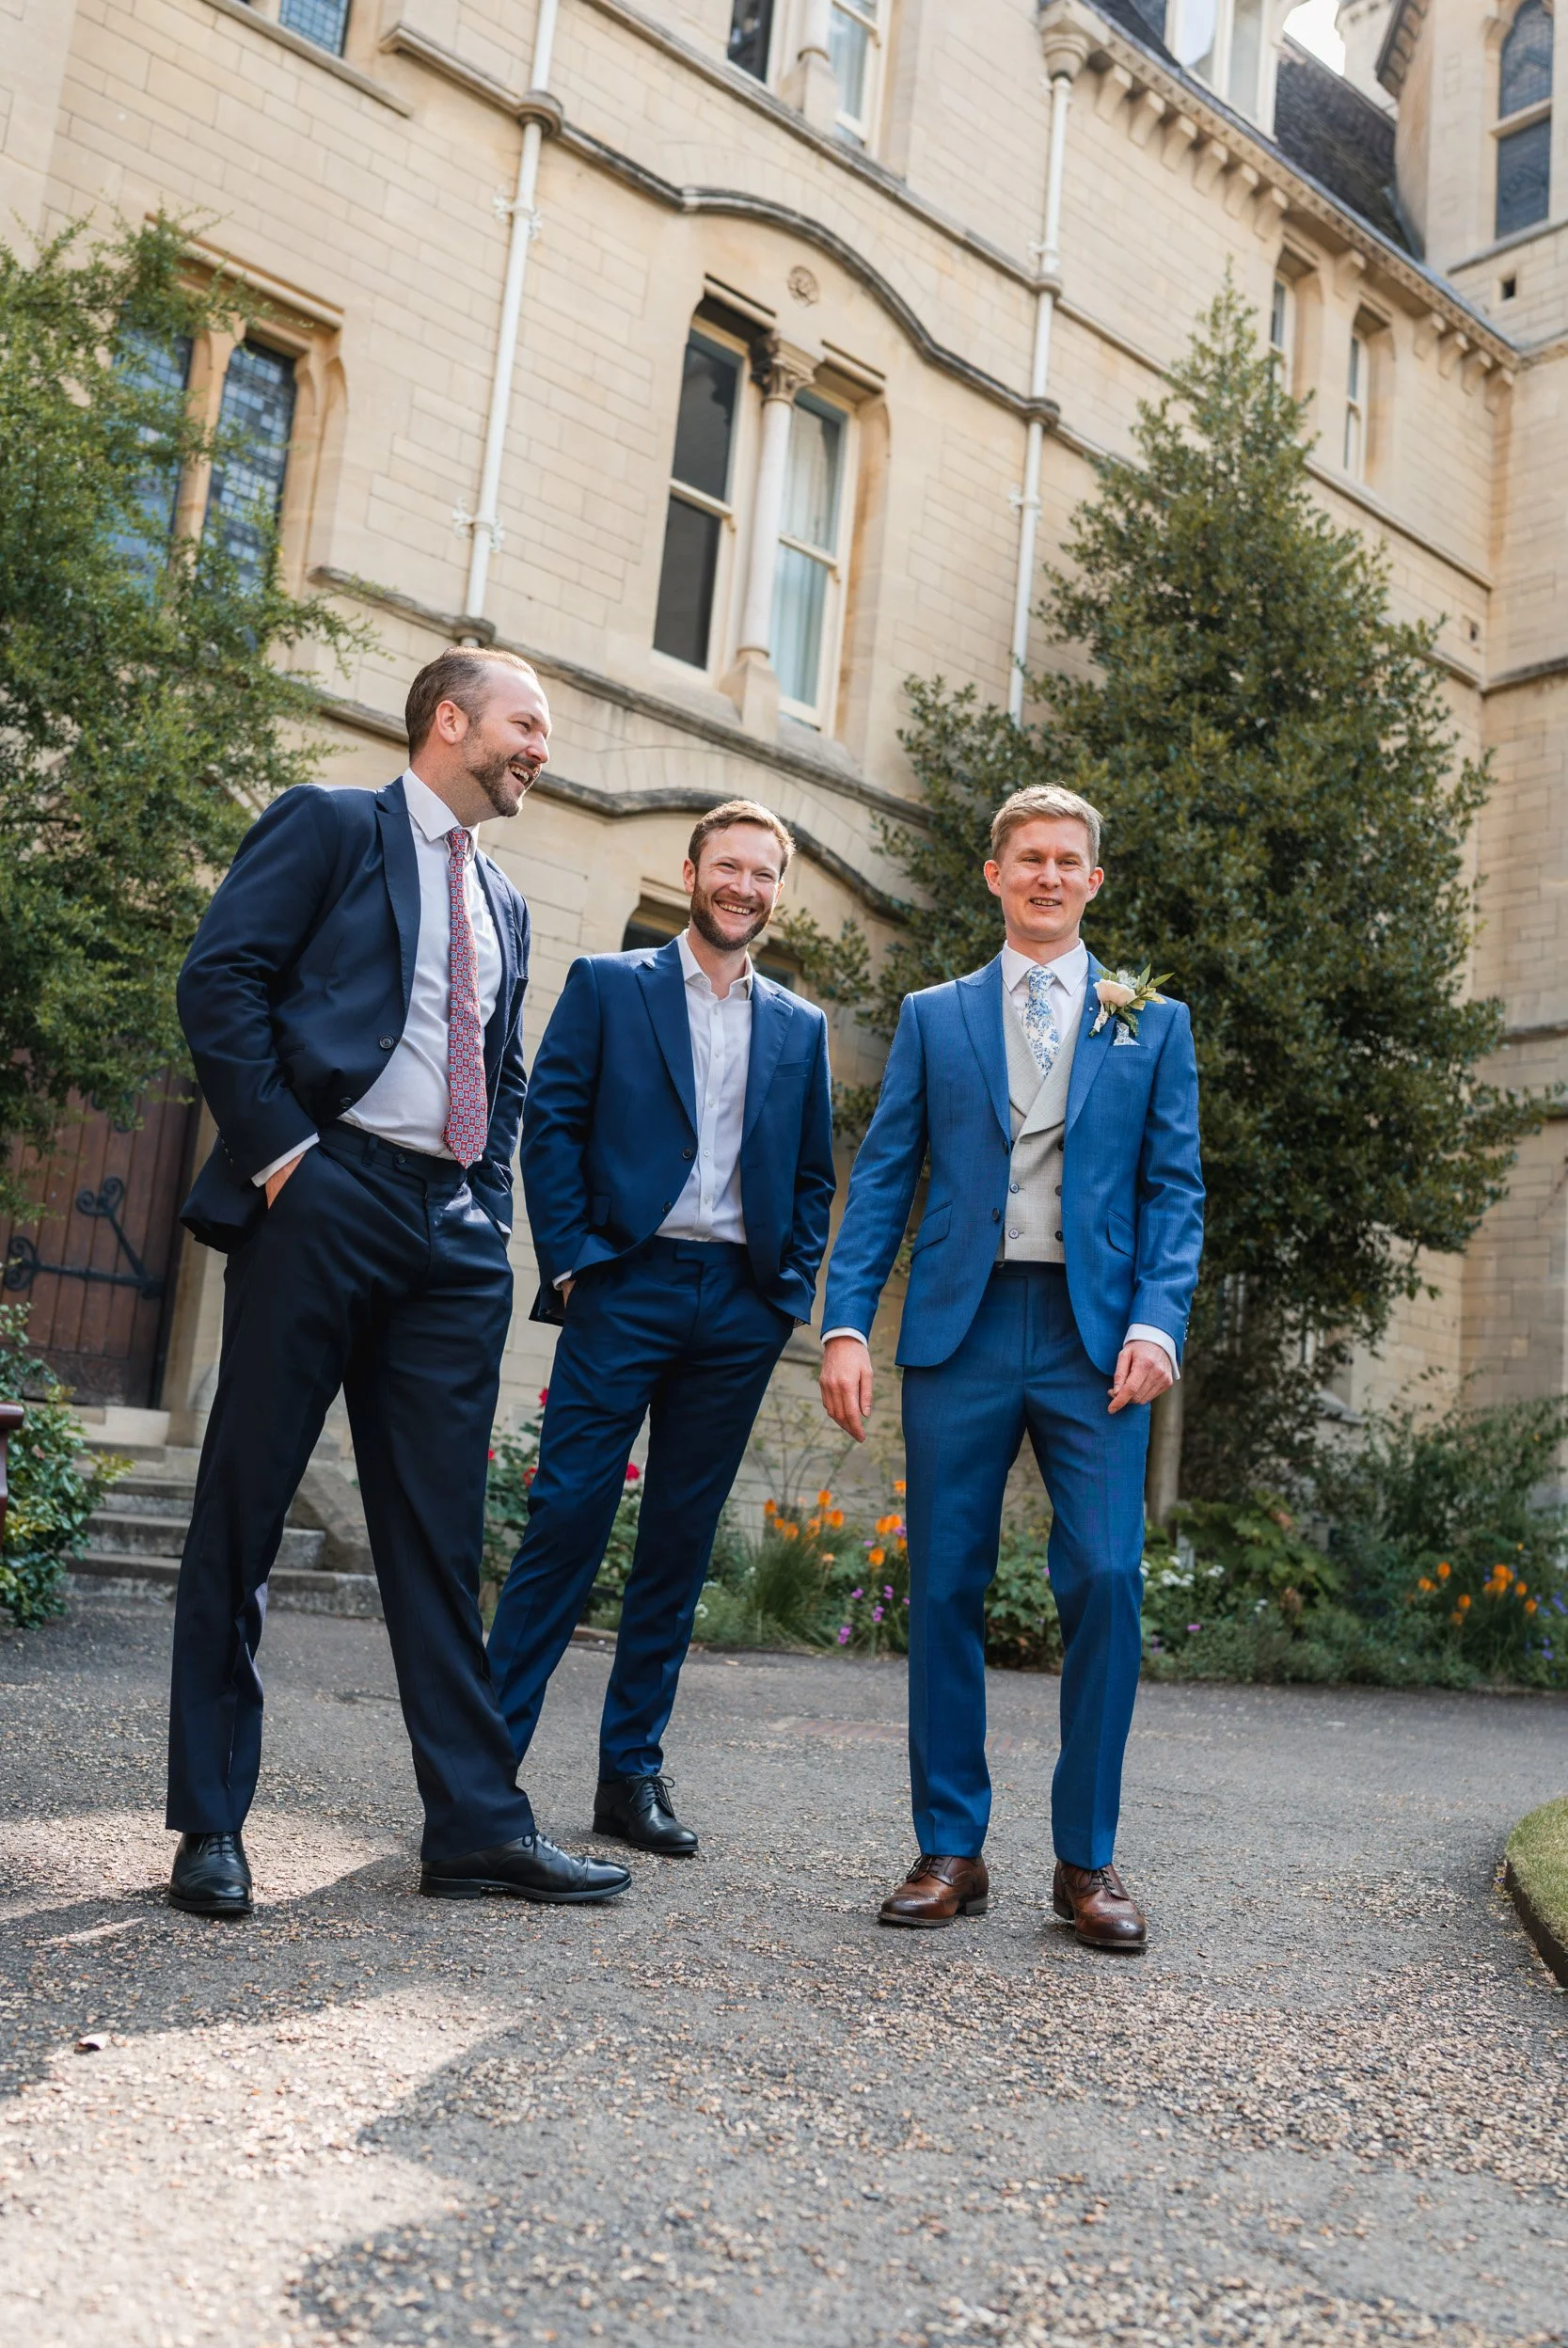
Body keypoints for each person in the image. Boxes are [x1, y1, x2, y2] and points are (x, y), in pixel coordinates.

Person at [165, 646, 630, 1917]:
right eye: (525, 724)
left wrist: (485, 1202)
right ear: (447, 720)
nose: (541, 748)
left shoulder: (510, 900)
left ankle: (476, 1829)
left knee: (436, 1535)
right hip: (323, 1195)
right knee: (245, 1510)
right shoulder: (329, 826)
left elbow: (508, 1068)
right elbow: (221, 981)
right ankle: (210, 1823)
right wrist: (285, 1161)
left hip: (450, 1236)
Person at [818, 785, 1203, 1949]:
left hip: (1097, 1343)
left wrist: (1156, 1321)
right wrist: (844, 1323)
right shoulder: (935, 1016)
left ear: (1093, 880)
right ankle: (950, 1848)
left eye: (1066, 860)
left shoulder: (1152, 1022)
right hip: (961, 1329)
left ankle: (1084, 1860)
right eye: (1027, 857)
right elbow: (885, 1175)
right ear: (994, 876)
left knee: (1107, 1579)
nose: (1045, 874)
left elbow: (1172, 1192)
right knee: (940, 1583)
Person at [488, 801, 836, 1855]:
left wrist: (783, 1291)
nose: (743, 886)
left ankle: (627, 1779)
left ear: (777, 891)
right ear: (690, 872)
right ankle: (482, 1770)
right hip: (623, 1284)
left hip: (736, 1305)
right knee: (566, 1522)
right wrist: (580, 1264)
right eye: (726, 866)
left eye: (762, 873)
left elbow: (814, 1175)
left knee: (677, 1547)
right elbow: (548, 1124)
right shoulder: (609, 986)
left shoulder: (800, 1025)